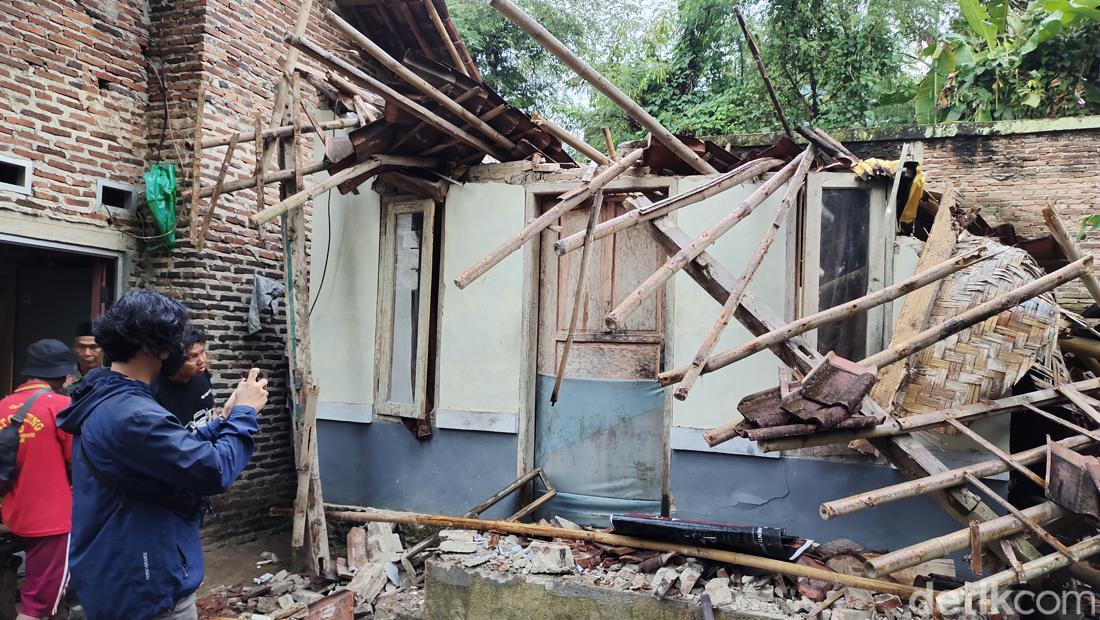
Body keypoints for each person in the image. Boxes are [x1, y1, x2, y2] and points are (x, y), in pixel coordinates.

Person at [57, 290, 268, 620]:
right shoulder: (133, 413)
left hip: (119, 574)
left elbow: (168, 452)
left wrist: (223, 421)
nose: (179, 350)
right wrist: (244, 413)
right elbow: (213, 471)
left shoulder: (109, 397)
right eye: (175, 340)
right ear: (152, 346)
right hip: (145, 589)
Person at [0, 339, 76, 620]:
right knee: (39, 602)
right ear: (62, 374)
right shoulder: (60, 406)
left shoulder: (4, 405)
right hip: (53, 520)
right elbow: (77, 460)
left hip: (17, 514)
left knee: (43, 588)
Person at [155, 327, 217, 432]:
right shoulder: (156, 393)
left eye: (202, 352)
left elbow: (211, 409)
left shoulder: (201, 373)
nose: (202, 360)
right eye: (193, 357)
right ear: (174, 360)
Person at [68, 321, 103, 388]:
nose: (87, 353)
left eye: (93, 347)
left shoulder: (112, 380)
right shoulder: (62, 379)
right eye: (82, 347)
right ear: (74, 349)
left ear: (104, 349)